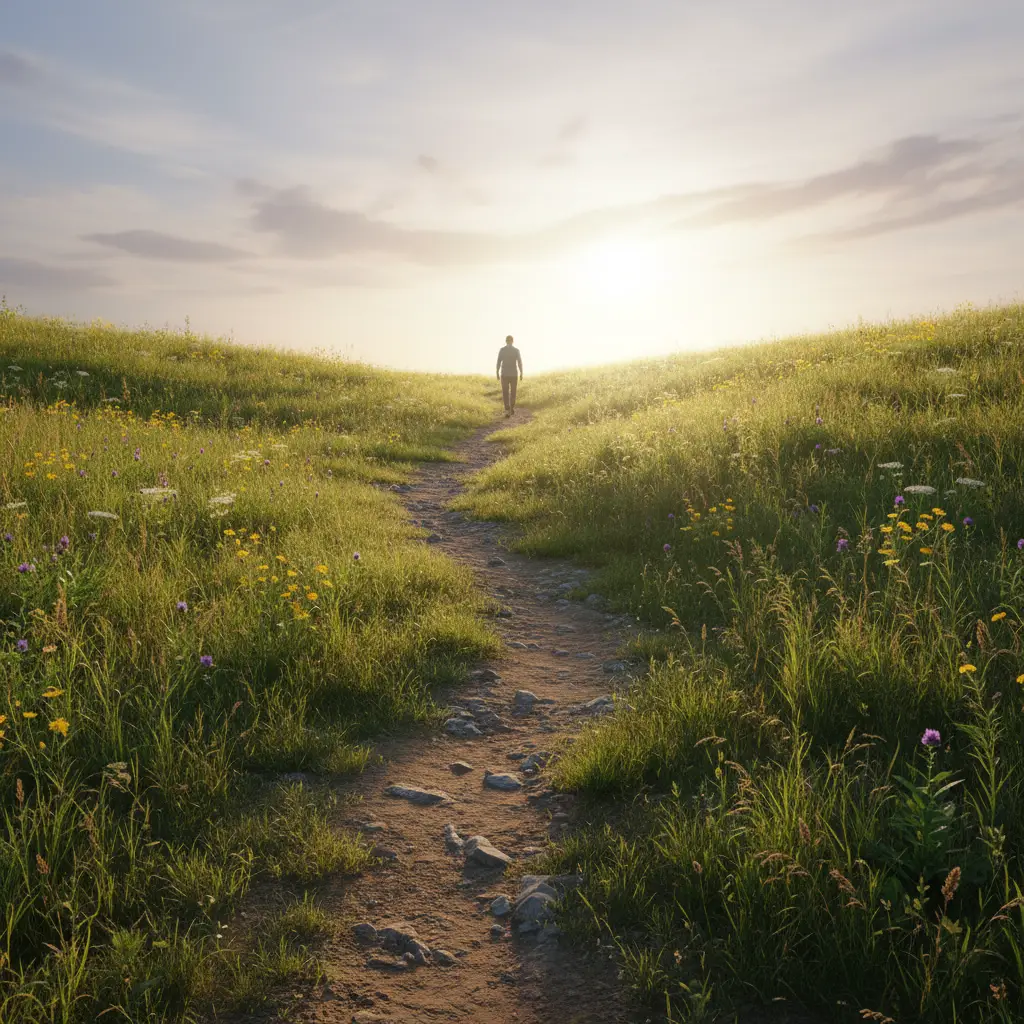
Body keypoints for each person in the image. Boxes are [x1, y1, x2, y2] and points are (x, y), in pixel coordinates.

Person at [496, 335, 523, 416]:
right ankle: (511, 408)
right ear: (512, 341)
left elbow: (498, 362)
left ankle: (507, 409)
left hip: (504, 374)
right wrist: (521, 372)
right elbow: (519, 362)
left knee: (505, 392)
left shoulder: (502, 350)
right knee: (513, 392)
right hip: (514, 374)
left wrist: (497, 372)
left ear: (506, 341)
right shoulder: (516, 350)